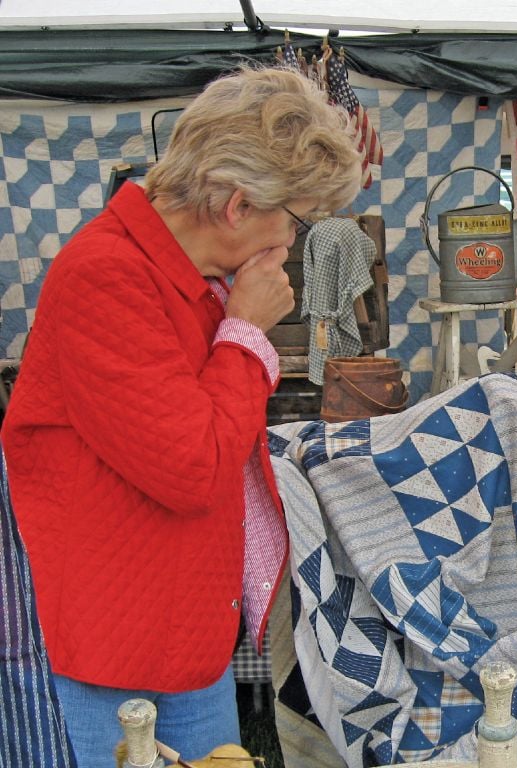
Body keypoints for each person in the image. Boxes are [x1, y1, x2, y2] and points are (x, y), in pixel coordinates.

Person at [1, 65, 362, 766]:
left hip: (180, 628)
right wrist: (249, 335)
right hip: (105, 646)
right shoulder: (105, 275)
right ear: (236, 206)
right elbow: (192, 466)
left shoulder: (188, 279)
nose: (288, 243)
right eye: (290, 220)